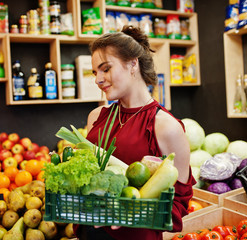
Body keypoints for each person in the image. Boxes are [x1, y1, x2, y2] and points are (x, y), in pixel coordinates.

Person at [73, 25, 195, 240]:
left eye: (106, 69)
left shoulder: (166, 127)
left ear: (132, 64)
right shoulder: (96, 117)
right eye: (95, 72)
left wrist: (128, 215)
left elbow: (178, 205)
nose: (98, 79)